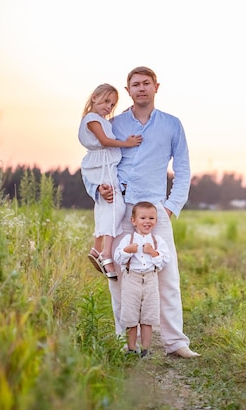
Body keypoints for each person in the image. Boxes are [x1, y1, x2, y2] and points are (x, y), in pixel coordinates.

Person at [83, 67, 200, 358]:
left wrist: (171, 208)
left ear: (156, 87)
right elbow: (94, 160)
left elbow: (183, 170)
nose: (141, 88)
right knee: (121, 277)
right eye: (135, 84)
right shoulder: (114, 124)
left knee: (168, 275)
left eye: (146, 83)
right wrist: (98, 188)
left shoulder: (172, 125)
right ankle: (124, 341)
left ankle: (176, 343)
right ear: (128, 91)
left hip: (156, 210)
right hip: (121, 208)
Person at [78, 83, 142, 279]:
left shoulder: (102, 120)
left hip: (107, 166)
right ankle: (106, 254)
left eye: (112, 104)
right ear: (94, 97)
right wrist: (127, 143)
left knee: (106, 207)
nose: (108, 107)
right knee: (116, 207)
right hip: (102, 166)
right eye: (106, 101)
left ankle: (97, 249)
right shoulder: (91, 118)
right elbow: (105, 141)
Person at [114, 201, 170, 357]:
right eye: (143, 218)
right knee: (130, 316)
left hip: (151, 279)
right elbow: (119, 258)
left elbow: (164, 261)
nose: (147, 221)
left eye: (151, 218)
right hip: (132, 279)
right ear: (133, 221)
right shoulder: (128, 239)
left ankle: (145, 349)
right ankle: (131, 349)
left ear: (156, 221)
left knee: (148, 316)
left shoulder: (158, 241)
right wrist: (127, 250)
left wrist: (153, 252)